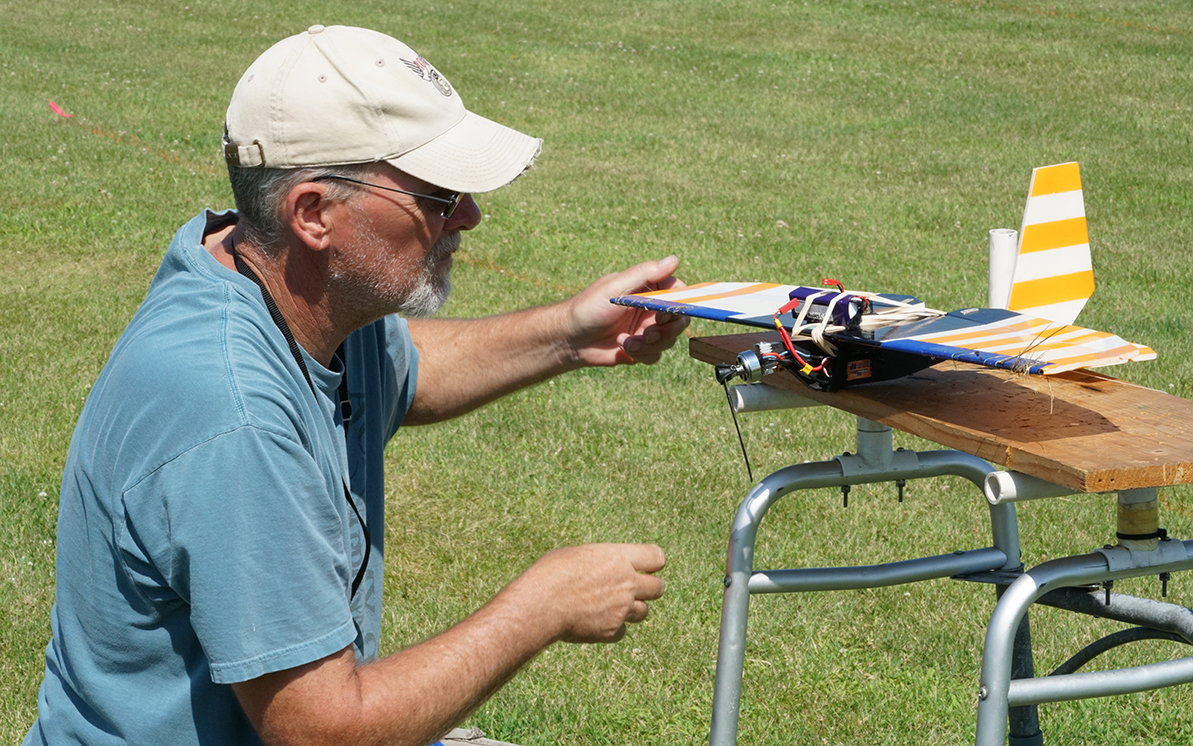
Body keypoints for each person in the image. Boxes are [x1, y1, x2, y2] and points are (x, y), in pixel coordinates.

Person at [24, 25, 688, 746]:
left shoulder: (272, 278)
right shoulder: (233, 416)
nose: (468, 216)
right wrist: (543, 606)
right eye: (438, 195)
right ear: (313, 214)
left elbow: (402, 371)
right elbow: (322, 732)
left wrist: (569, 333)